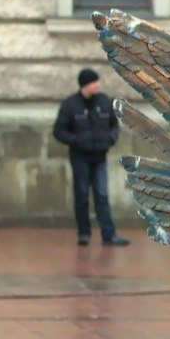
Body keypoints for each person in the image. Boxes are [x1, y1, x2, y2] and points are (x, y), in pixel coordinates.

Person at [52, 68, 129, 246]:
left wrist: (111, 137)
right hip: (80, 157)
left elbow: (113, 124)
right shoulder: (70, 105)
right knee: (82, 196)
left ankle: (108, 234)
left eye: (97, 81)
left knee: (102, 194)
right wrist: (77, 140)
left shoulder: (103, 102)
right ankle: (84, 233)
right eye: (94, 82)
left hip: (100, 156)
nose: (97, 85)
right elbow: (59, 131)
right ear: (85, 85)